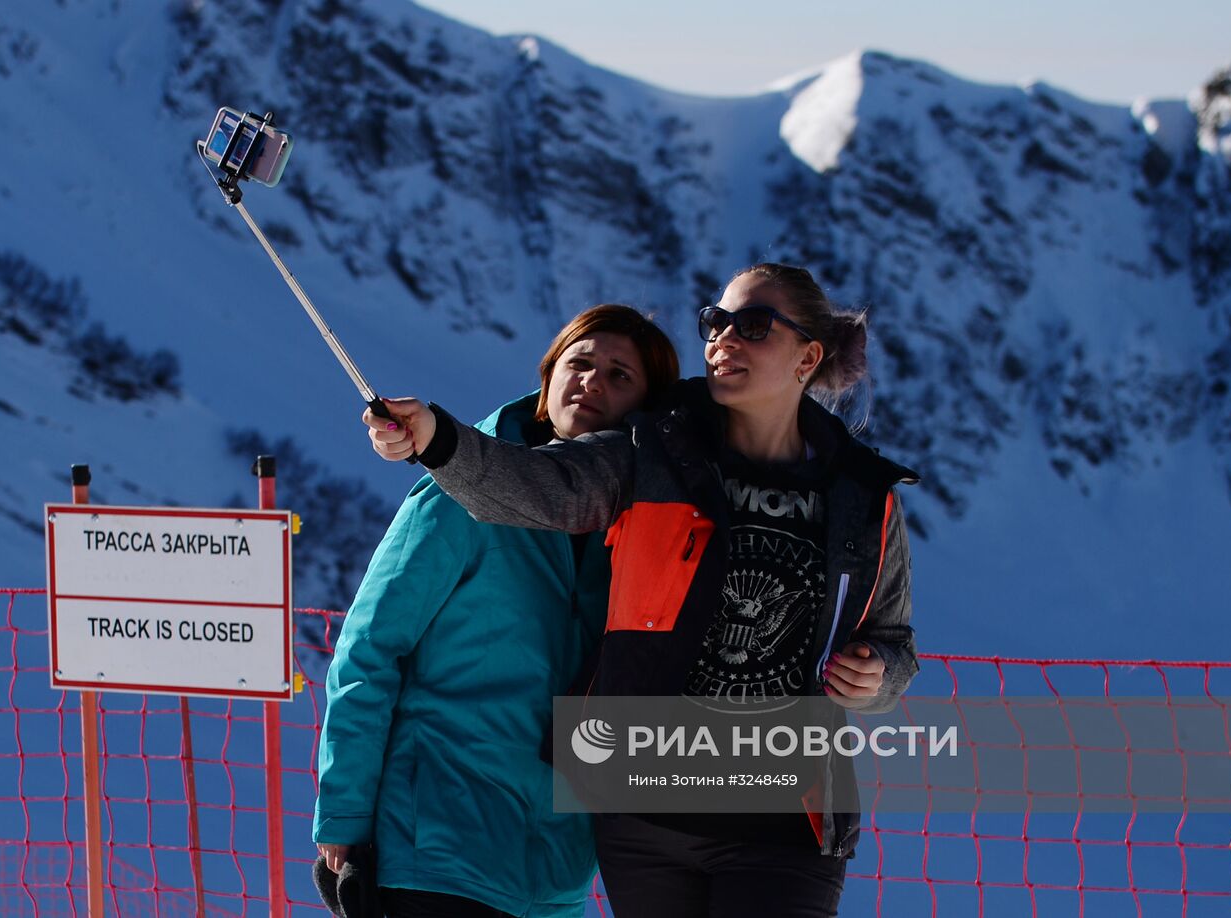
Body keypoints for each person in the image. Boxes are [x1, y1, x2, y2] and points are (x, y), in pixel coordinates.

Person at [364, 264, 920, 918]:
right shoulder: (655, 447)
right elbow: (544, 488)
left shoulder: (862, 494)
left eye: (753, 327)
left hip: (785, 819)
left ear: (808, 357)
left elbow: (893, 641)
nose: (723, 341)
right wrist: (438, 439)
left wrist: (877, 676)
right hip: (647, 816)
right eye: (716, 323)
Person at [314, 304, 680, 918]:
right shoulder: (460, 489)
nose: (592, 381)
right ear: (547, 377)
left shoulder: (643, 526)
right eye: (580, 362)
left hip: (558, 873)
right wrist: (346, 810)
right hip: (437, 850)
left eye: (620, 376)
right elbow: (371, 647)